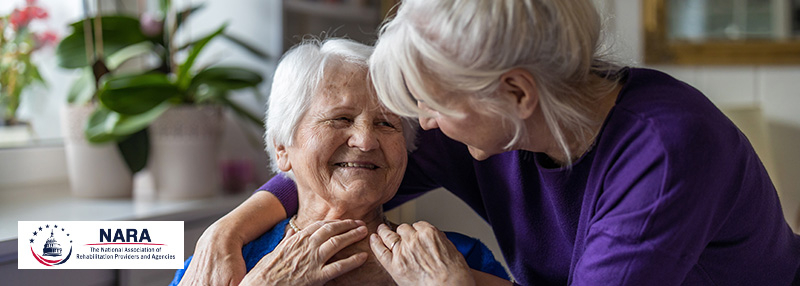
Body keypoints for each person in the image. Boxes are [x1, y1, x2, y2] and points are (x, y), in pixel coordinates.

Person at [181, 0, 800, 285]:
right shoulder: (483, 126)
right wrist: (229, 228)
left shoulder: (664, 154)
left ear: (516, 93)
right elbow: (350, 166)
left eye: (426, 106)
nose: (419, 125)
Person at [171, 38, 509, 286]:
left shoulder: (459, 260)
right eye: (340, 119)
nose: (365, 141)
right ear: (282, 149)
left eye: (386, 124)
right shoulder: (220, 264)